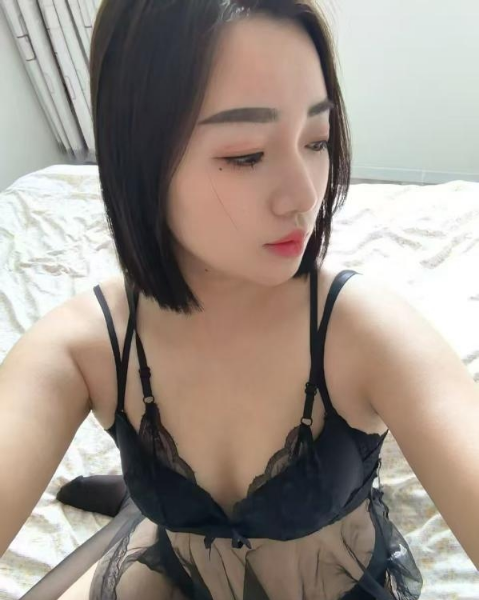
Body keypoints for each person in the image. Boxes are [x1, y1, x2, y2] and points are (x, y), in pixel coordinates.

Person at [0, 0, 426, 597]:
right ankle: (142, 510)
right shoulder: (87, 346)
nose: (304, 196)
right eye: (245, 154)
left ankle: (139, 506)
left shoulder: (361, 329)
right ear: (139, 158)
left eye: (317, 139)